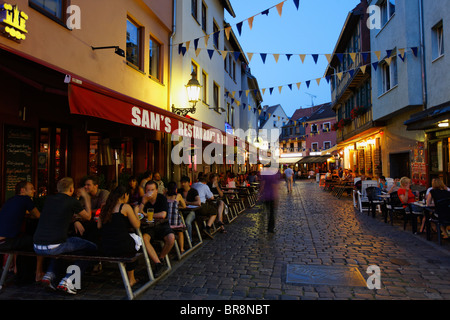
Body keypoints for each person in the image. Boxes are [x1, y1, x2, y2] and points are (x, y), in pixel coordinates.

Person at [33, 177, 97, 294]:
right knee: (90, 248)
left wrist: (75, 220)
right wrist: (87, 198)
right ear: (72, 189)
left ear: (58, 189)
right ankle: (68, 281)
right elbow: (88, 217)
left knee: (64, 248)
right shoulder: (72, 201)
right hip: (54, 246)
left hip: (37, 245)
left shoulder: (49, 199)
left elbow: (59, 215)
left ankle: (49, 275)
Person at [97, 185, 141, 287]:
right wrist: (135, 212)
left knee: (127, 241)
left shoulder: (104, 207)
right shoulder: (125, 207)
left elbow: (99, 226)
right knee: (134, 244)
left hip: (105, 247)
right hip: (122, 246)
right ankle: (131, 279)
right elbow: (137, 225)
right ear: (125, 195)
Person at [0, 181, 43, 282]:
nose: (34, 190)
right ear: (23, 190)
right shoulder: (25, 199)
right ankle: (38, 274)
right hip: (6, 242)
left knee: (23, 239)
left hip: (3, 240)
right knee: (40, 242)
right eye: (31, 188)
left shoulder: (10, 200)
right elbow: (38, 216)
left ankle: (18, 271)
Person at [138, 180, 175, 276]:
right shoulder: (143, 200)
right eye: (148, 190)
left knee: (171, 238)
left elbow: (163, 215)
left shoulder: (161, 198)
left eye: (152, 190)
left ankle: (161, 258)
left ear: (156, 190)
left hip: (162, 225)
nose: (150, 192)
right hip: (148, 227)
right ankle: (158, 264)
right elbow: (137, 215)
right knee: (144, 239)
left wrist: (146, 214)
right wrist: (143, 203)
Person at [166, 181, 187, 254]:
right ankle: (181, 248)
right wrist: (177, 206)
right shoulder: (178, 196)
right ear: (175, 189)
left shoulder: (165, 196)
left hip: (167, 222)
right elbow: (184, 206)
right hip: (175, 221)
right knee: (180, 232)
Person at [259, 166, 279, 233]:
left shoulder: (264, 174)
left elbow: (262, 184)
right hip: (271, 196)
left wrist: (260, 193)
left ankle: (265, 226)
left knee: (266, 212)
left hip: (265, 196)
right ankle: (270, 228)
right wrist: (276, 196)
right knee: (271, 213)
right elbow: (274, 186)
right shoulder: (273, 175)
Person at [178, 176, 198, 240]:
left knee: (187, 222)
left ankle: (190, 239)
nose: (183, 184)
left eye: (184, 182)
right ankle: (181, 239)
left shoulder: (193, 191)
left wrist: (187, 202)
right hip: (181, 212)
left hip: (191, 211)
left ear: (188, 183)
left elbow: (198, 203)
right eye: (182, 183)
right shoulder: (179, 191)